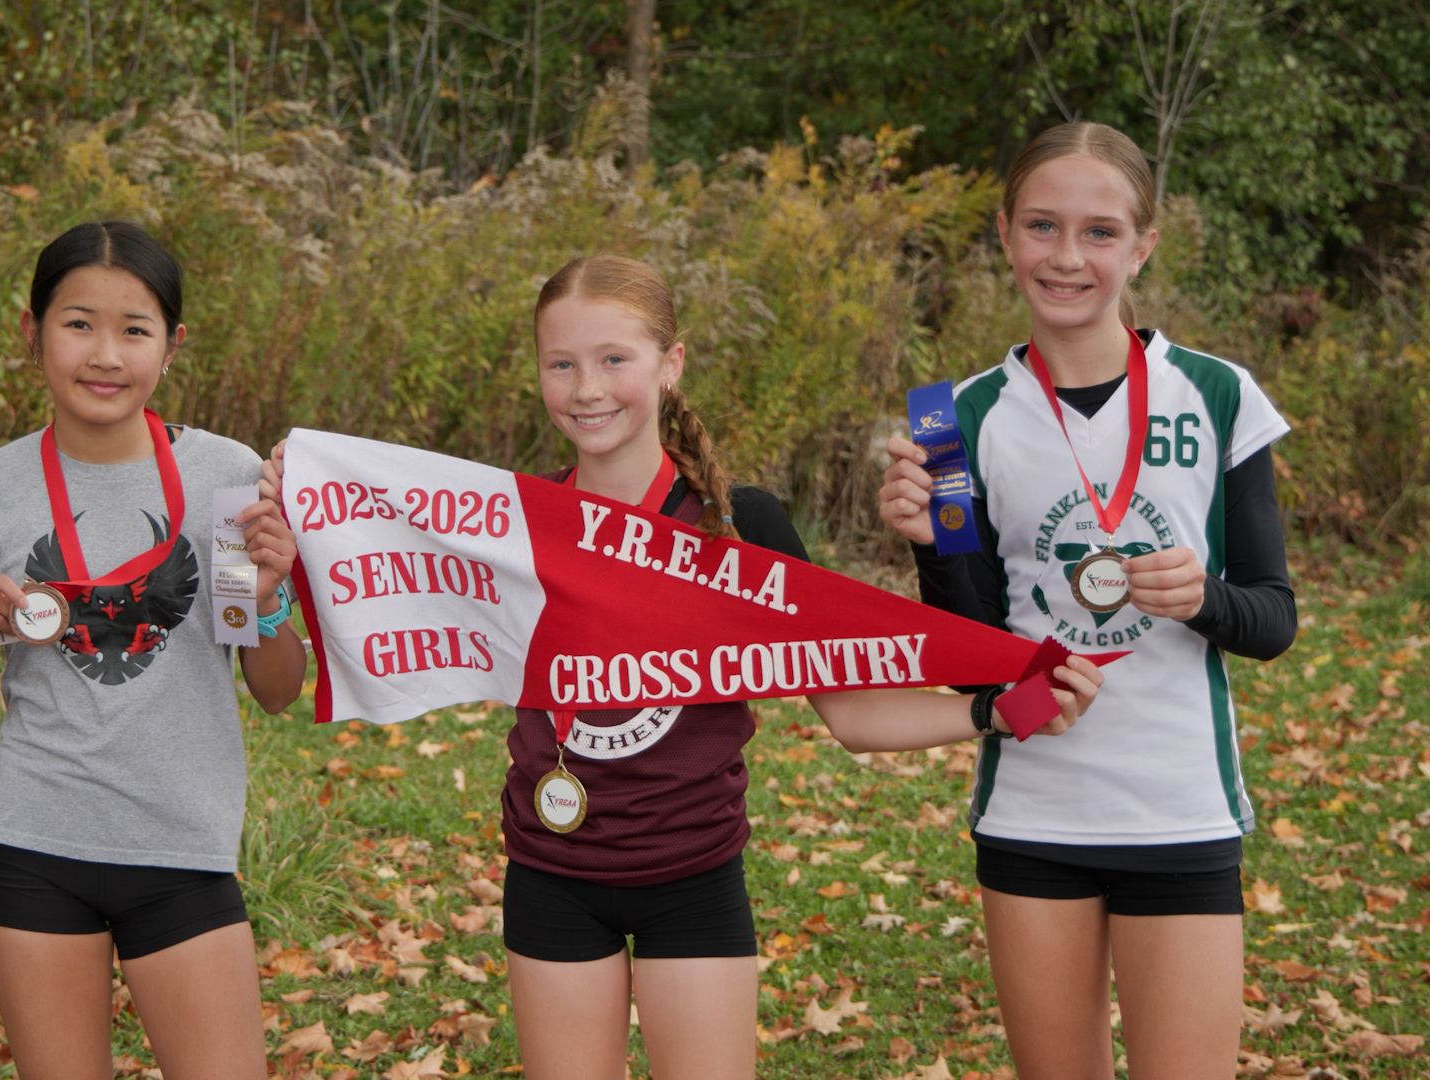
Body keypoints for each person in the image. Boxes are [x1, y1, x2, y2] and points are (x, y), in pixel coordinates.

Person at [501, 255, 1104, 1080]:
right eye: (560, 364)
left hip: (692, 880)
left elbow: (852, 714)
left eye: (614, 359)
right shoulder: (514, 524)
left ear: (672, 364)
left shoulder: (741, 527)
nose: (586, 388)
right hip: (550, 873)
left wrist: (994, 710)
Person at [878, 122, 1295, 1080]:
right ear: (1005, 234)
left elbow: (1273, 620)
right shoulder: (955, 418)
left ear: (1143, 245)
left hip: (1180, 811)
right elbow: (973, 647)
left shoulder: (1218, 394)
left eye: (1100, 232)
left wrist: (1202, 599)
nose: (1067, 257)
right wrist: (927, 544)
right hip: (1035, 813)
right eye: (1042, 226)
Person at [0, 221, 305, 1080]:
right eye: (77, 323)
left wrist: (272, 597)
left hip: (184, 850)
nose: (105, 354)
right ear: (32, 334)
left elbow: (276, 690)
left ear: (171, 346)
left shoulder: (229, 478)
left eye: (134, 329)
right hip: (34, 849)